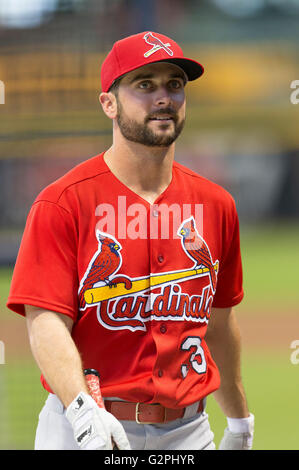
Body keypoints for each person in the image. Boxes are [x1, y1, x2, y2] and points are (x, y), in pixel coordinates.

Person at [7, 31, 254, 451]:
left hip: (188, 433)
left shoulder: (216, 205)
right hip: (83, 424)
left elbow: (219, 325)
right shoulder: (63, 203)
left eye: (174, 85)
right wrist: (80, 408)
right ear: (109, 103)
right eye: (145, 85)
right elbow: (47, 321)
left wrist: (238, 420)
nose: (163, 97)